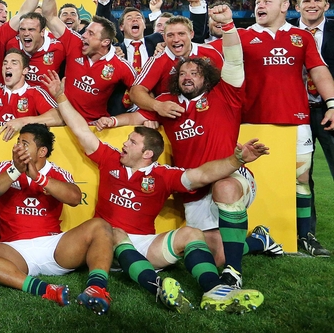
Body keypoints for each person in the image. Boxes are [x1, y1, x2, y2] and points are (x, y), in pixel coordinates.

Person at [43, 70, 266, 313]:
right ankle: (158, 288)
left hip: (145, 245)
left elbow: (202, 174)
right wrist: (60, 96)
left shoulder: (163, 175)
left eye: (131, 142)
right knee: (114, 230)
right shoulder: (110, 159)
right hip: (107, 244)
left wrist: (237, 160)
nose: (124, 144)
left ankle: (214, 290)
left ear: (147, 154)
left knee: (191, 234)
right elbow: (81, 130)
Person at [94, 4, 283, 288]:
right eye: (183, 73)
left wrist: (228, 24)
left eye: (194, 72)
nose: (187, 76)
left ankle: (233, 272)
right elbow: (137, 113)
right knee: (214, 254)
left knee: (224, 186)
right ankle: (257, 240)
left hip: (229, 175)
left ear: (206, 76)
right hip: (194, 188)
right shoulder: (169, 103)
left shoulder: (226, 94)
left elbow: (233, 59)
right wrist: (112, 121)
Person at [0, 123, 115, 314]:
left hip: (54, 247)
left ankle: (96, 287)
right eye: (18, 143)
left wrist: (38, 178)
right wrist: (15, 171)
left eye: (24, 144)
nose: (18, 147)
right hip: (13, 250)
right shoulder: (6, 168)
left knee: (100, 226)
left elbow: (75, 198)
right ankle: (46, 290)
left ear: (42, 151)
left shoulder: (57, 172)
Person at [238, 0, 334, 257]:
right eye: (257, 2)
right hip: (252, 123)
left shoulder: (301, 37)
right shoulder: (242, 36)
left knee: (301, 180)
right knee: (249, 182)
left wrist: (332, 103)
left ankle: (305, 236)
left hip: (296, 121)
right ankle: (249, 233)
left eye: (266, 1)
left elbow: (319, 70)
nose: (260, 5)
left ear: (284, 6)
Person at [41, 0, 136, 122]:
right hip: (63, 120)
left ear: (105, 42)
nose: (84, 35)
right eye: (86, 31)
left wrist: (146, 116)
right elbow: (50, 17)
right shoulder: (75, 42)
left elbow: (141, 91)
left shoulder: (121, 66)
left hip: (96, 126)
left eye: (90, 33)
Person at [0, 17, 63, 141]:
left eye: (14, 63)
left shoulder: (35, 93)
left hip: (25, 154)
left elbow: (60, 117)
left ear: (25, 70)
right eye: (5, 63)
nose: (8, 66)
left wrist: (23, 122)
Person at [292, 0, 334, 256]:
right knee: (301, 176)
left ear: (326, 5)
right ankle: (306, 234)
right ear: (296, 6)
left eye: (318, 0)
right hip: (297, 113)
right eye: (306, 0)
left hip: (330, 111)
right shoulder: (285, 33)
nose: (312, 4)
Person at [129, 16, 223, 115]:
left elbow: (226, 85)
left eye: (181, 34)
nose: (176, 39)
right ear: (164, 38)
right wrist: (158, 106)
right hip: (175, 117)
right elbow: (135, 92)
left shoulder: (211, 53)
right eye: (170, 35)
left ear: (191, 34)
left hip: (210, 112)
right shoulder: (158, 61)